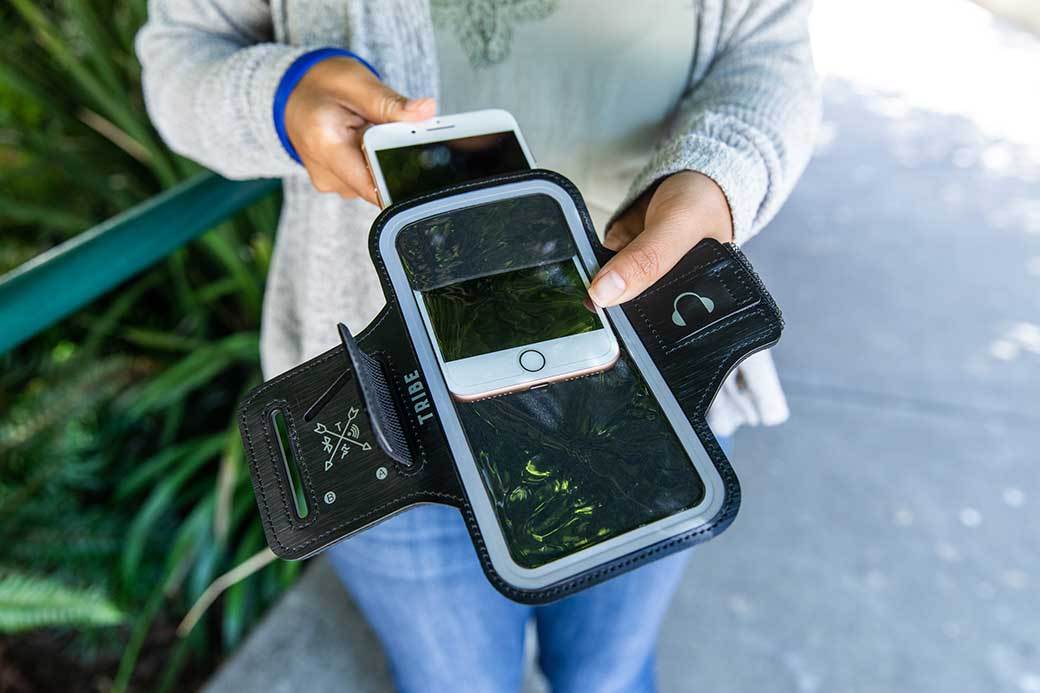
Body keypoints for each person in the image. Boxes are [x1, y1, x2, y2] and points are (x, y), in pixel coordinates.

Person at [138, 1, 820, 690]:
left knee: (607, 675)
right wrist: (283, 99)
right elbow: (178, 57)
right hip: (394, 427)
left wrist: (720, 177)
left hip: (652, 379)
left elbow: (769, 50)